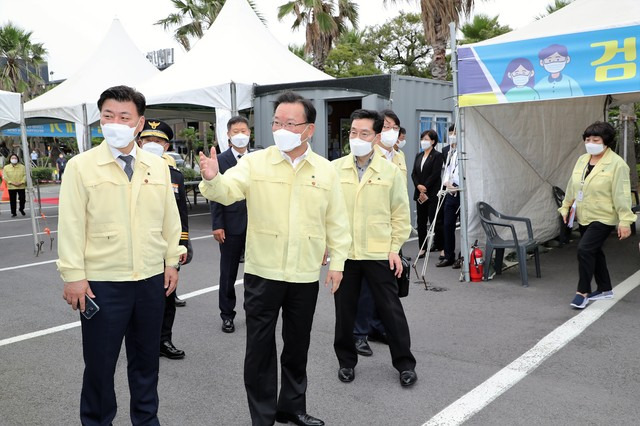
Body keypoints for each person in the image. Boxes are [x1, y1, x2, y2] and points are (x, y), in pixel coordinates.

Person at [198, 91, 351, 426]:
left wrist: (338, 264)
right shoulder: (255, 162)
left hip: (304, 273)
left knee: (297, 346)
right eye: (277, 122)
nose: (281, 128)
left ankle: (291, 407)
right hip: (263, 272)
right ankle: (263, 416)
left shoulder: (325, 171)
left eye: (290, 123)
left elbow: (337, 222)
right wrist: (212, 179)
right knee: (260, 349)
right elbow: (228, 191)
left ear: (308, 130)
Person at [57, 85, 186, 425]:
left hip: (149, 280)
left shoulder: (157, 166)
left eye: (124, 116)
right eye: (108, 116)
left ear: (139, 123)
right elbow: (70, 224)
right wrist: (73, 275)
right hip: (102, 284)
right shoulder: (81, 166)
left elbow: (169, 218)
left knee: (146, 363)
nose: (115, 122)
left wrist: (172, 260)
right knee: (100, 365)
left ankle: (146, 420)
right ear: (100, 120)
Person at [332, 108, 417, 387]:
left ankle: (404, 363)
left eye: (364, 133)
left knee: (391, 310)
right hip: (346, 254)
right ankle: (346, 362)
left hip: (380, 253)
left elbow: (400, 215)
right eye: (353, 132)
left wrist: (395, 248)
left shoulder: (391, 172)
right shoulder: (335, 169)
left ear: (377, 136)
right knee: (344, 312)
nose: (357, 137)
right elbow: (326, 212)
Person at [559, 121, 635, 309]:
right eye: (587, 139)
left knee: (584, 250)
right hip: (585, 214)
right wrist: (566, 206)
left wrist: (625, 221)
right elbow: (573, 185)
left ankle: (582, 292)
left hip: (604, 216)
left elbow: (622, 194)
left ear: (606, 141)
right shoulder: (582, 159)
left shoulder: (617, 164)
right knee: (594, 251)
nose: (590, 142)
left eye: (595, 139)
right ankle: (604, 289)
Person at [138, 118, 190, 359]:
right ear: (139, 141)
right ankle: (142, 342)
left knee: (167, 295)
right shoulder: (130, 171)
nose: (152, 143)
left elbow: (180, 212)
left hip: (167, 246)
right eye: (147, 139)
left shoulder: (175, 176)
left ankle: (164, 340)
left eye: (158, 140)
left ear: (167, 146)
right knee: (139, 297)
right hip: (140, 245)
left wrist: (184, 242)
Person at [210, 115, 251, 334]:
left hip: (256, 226)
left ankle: (252, 311)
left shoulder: (258, 159)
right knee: (228, 272)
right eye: (236, 131)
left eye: (244, 131)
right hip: (230, 224)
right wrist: (217, 224)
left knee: (255, 273)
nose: (240, 135)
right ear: (228, 135)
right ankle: (227, 315)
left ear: (249, 133)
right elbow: (216, 194)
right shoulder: (221, 160)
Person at [411, 130, 444, 258]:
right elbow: (413, 173)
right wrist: (418, 186)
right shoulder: (418, 156)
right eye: (422, 138)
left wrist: (425, 186)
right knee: (421, 221)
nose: (423, 141)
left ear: (433, 141)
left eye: (426, 139)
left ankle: (441, 247)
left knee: (436, 221)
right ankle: (422, 248)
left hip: (432, 193)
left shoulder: (437, 155)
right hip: (420, 194)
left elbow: (435, 174)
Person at [437, 125, 461, 268]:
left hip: (461, 191)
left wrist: (455, 183)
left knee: (464, 226)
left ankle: (462, 256)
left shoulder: (464, 150)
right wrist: (446, 182)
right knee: (448, 224)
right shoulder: (450, 152)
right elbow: (447, 169)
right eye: (451, 133)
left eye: (455, 133)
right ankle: (448, 255)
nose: (453, 135)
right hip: (449, 192)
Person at [375, 109, 407, 179]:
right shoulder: (369, 155)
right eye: (386, 127)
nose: (391, 131)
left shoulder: (400, 157)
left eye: (395, 128)